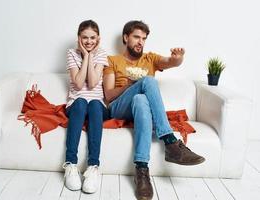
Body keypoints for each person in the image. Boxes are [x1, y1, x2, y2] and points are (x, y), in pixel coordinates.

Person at [103, 20, 205, 200]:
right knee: (148, 81)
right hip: (118, 106)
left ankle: (142, 170)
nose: (140, 42)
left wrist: (177, 57)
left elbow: (171, 62)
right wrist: (130, 84)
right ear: (126, 38)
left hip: (137, 105)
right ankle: (170, 141)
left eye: (143, 38)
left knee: (141, 99)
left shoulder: (150, 58)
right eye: (136, 37)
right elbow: (109, 95)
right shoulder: (112, 61)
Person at [63, 20, 109, 194]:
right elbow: (79, 82)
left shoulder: (102, 54)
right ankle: (70, 165)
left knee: (96, 103)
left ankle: (93, 167)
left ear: (98, 39)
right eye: (85, 38)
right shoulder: (71, 53)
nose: (89, 41)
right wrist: (86, 54)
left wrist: (90, 56)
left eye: (92, 38)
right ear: (79, 38)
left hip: (96, 107)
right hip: (77, 105)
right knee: (82, 101)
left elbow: (93, 83)